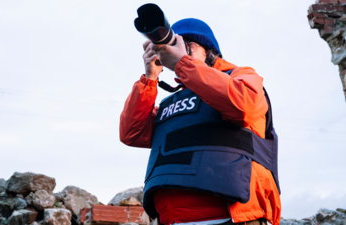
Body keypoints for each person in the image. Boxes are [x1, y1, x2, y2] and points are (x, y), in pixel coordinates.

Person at [120, 18, 281, 225]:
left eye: (189, 46)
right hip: (174, 220)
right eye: (173, 46)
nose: (179, 51)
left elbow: (244, 106)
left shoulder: (240, 76)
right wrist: (150, 77)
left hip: (236, 217)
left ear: (209, 51)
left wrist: (182, 64)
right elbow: (131, 134)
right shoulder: (172, 102)